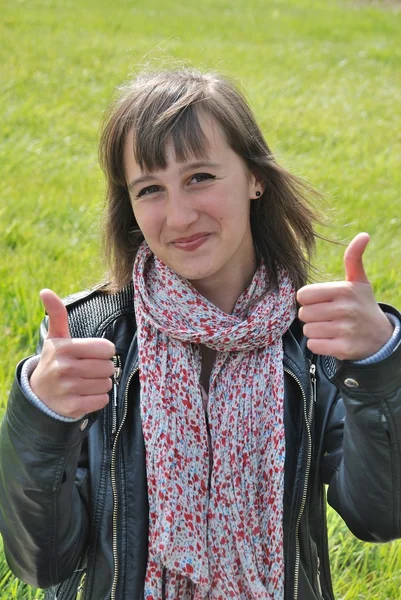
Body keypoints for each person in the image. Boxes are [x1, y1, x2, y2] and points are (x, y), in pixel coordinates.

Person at [0, 68, 400, 600]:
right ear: (132, 208)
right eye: (150, 189)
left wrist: (378, 368)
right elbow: (39, 561)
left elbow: (382, 515)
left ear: (256, 177)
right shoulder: (90, 341)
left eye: (200, 178)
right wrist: (42, 419)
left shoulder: (315, 336)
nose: (180, 215)